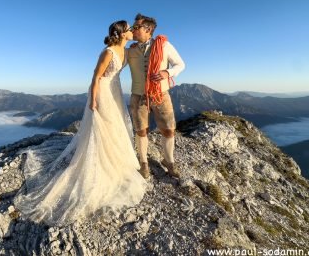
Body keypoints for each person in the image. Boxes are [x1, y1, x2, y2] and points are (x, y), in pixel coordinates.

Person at [14, 20, 147, 226]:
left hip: (116, 92)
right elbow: (95, 77)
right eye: (128, 29)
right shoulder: (108, 52)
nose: (131, 31)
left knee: (115, 125)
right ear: (121, 34)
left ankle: (116, 158)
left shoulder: (127, 51)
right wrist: (92, 100)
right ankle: (100, 161)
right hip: (103, 91)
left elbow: (141, 49)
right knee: (102, 126)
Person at [127, 13, 185, 179]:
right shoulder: (130, 51)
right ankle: (144, 163)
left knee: (168, 131)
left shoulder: (163, 45)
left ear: (148, 29)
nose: (133, 30)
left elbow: (180, 64)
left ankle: (169, 161)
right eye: (133, 27)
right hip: (138, 95)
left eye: (136, 27)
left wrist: (167, 72)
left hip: (161, 93)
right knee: (141, 131)